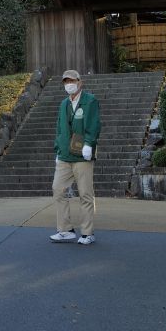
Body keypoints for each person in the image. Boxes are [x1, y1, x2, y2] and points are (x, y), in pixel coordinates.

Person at [49, 69, 101, 245]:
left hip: (82, 155)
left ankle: (87, 233)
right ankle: (65, 229)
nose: (68, 84)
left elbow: (94, 124)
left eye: (71, 80)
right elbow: (59, 129)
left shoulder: (90, 101)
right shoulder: (63, 104)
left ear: (80, 82)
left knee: (85, 193)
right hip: (64, 155)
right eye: (65, 81)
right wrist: (58, 150)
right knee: (58, 189)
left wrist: (89, 143)